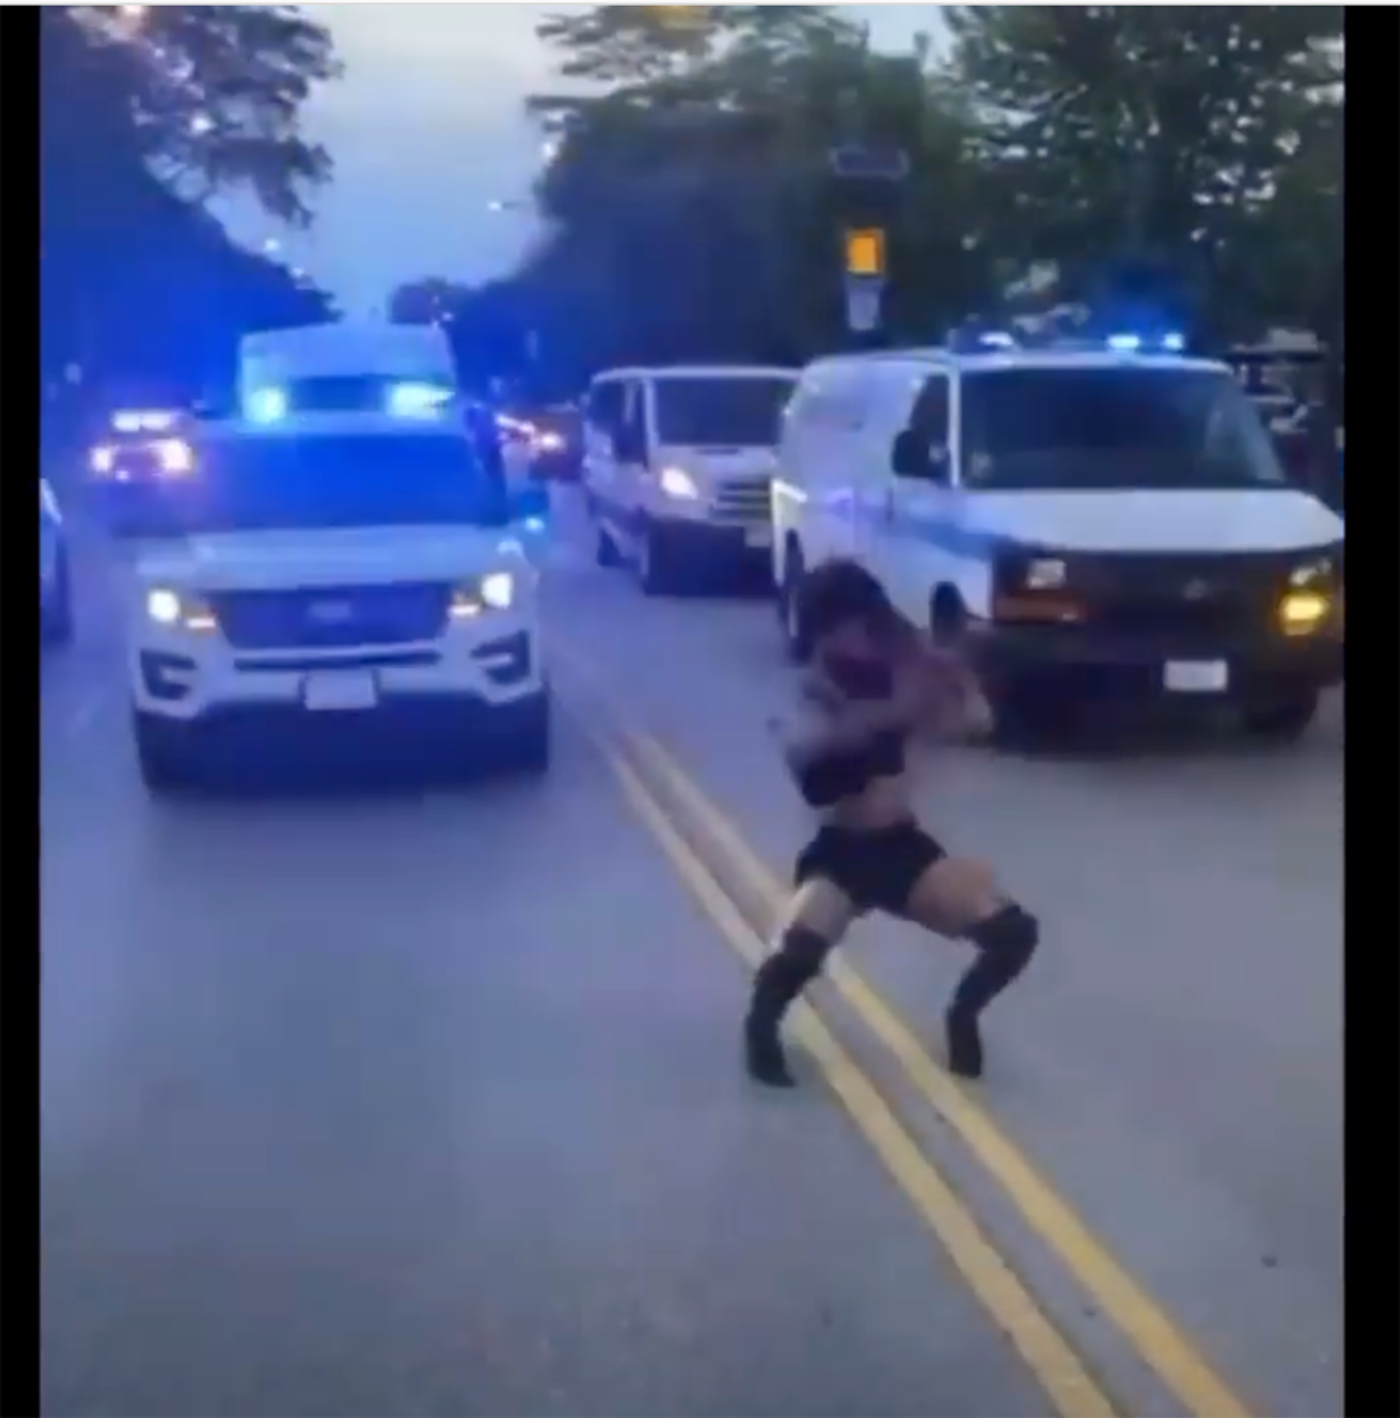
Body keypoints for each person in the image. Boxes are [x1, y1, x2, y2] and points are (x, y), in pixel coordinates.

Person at [744, 560, 1040, 1088]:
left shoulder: (897, 671)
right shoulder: (808, 691)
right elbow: (814, 758)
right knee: (796, 956)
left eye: (863, 626)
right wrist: (901, 706)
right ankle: (760, 1034)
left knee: (1012, 933)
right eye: (842, 629)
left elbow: (974, 724)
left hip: (902, 848)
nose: (856, 639)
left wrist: (959, 682)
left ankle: (962, 1017)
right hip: (840, 856)